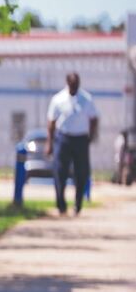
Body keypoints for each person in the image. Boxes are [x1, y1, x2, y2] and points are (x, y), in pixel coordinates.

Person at [46, 72, 98, 215]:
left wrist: (90, 136)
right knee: (60, 172)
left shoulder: (86, 99)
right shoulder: (58, 99)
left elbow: (94, 118)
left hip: (81, 139)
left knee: (81, 173)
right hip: (63, 138)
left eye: (77, 85)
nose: (75, 87)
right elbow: (51, 122)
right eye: (73, 85)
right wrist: (49, 143)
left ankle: (78, 204)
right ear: (68, 83)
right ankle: (61, 205)